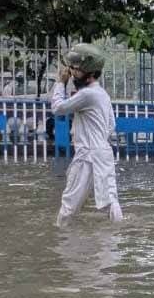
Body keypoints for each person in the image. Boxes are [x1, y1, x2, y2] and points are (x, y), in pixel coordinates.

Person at [50, 43, 122, 227]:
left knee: (69, 204)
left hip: (86, 155)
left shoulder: (88, 94)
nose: (72, 72)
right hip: (103, 153)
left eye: (76, 69)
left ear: (89, 73)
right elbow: (111, 125)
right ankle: (114, 244)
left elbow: (58, 108)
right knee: (110, 201)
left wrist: (60, 83)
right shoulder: (101, 94)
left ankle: (61, 239)